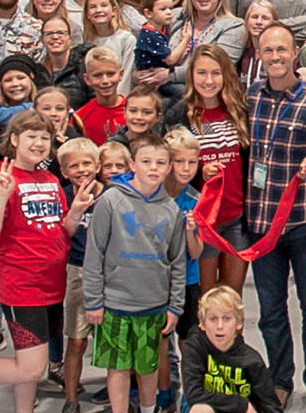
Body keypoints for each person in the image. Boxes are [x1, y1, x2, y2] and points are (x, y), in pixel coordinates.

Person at [0, 111, 94, 413]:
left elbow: (60, 232)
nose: (39, 143)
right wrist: (0, 196)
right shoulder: (3, 180)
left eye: (44, 137)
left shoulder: (50, 179)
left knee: (29, 359)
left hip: (52, 285)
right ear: (14, 140)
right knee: (31, 368)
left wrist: (75, 213)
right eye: (31, 136)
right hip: (22, 287)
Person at [243, 24, 306, 412]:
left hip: (301, 223)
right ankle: (279, 380)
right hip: (261, 224)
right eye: (268, 51)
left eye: (282, 50)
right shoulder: (249, 97)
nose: (276, 57)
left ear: (295, 52)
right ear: (260, 54)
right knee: (270, 310)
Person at [82, 135, 186, 413]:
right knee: (118, 367)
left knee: (148, 366)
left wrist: (175, 306)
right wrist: (93, 300)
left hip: (153, 305)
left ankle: (148, 408)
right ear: (132, 164)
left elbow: (177, 263)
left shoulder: (172, 210)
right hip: (114, 304)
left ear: (168, 168)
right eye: (146, 161)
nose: (153, 168)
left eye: (160, 163)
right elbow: (95, 254)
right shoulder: (111, 200)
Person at [181, 285, 284, 413]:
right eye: (213, 319)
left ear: (238, 323)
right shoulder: (195, 347)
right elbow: (194, 393)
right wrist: (241, 404)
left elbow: (272, 407)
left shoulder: (252, 361)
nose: (219, 326)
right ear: (202, 323)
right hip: (212, 407)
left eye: (226, 318)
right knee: (201, 409)